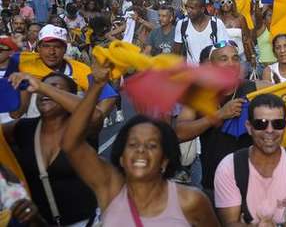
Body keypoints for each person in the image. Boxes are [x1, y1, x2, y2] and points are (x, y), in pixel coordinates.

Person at [62, 60, 218, 226]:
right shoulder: (109, 188)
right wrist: (97, 86)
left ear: (165, 159)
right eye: (132, 144)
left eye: (152, 145)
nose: (141, 150)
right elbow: (71, 144)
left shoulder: (191, 201)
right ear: (121, 157)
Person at [3, 73, 106, 225]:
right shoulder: (23, 128)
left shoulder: (81, 129)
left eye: (55, 87)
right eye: (40, 91)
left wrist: (42, 87)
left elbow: (95, 115)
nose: (44, 93)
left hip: (87, 222)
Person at [214, 94, 286, 226]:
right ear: (249, 127)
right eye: (260, 124)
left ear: (285, 127)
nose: (270, 130)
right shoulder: (229, 167)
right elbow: (230, 223)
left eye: (278, 124)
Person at [174, 41, 256, 193]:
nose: (231, 63)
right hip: (216, 183)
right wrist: (219, 114)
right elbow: (179, 133)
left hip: (253, 182)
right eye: (223, 59)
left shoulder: (256, 88)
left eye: (235, 58)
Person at [173, 0, 229, 64]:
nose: (188, 11)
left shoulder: (216, 24)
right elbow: (176, 53)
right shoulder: (181, 24)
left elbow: (224, 50)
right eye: (187, 7)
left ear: (202, 9)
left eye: (192, 8)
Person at [217, 0, 255, 65]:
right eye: (222, 2)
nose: (225, 4)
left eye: (228, 2)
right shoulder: (217, 20)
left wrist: (252, 55)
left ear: (233, 4)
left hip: (240, 55)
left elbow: (247, 38)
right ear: (220, 5)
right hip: (223, 58)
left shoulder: (240, 18)